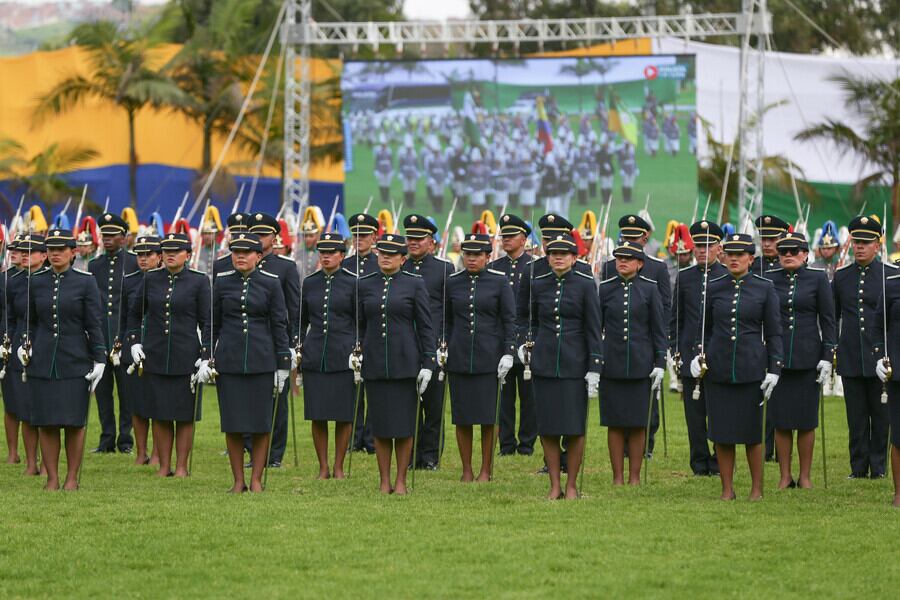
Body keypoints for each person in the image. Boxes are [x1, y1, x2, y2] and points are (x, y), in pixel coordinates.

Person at [690, 233, 782, 501]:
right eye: (729, 254)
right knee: (722, 433)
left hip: (751, 368)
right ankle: (727, 489)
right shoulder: (714, 286)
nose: (733, 259)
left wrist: (774, 368)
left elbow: (774, 332)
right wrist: (699, 355)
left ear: (751, 259)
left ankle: (756, 489)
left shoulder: (764, 288)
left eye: (740, 255)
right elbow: (703, 329)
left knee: (753, 434)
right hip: (718, 368)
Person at [22, 229, 106, 490]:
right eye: (51, 248)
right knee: (46, 422)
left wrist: (99, 358)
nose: (55, 253)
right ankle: (52, 478)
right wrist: (24, 345)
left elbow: (94, 323)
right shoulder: (35, 281)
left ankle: (71, 478)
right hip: (43, 359)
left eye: (61, 248)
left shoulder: (85, 282)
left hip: (75, 358)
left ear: (74, 252)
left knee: (73, 422)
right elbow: (30, 321)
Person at [520, 233, 601, 499]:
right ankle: (555, 484)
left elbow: (593, 328)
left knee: (574, 427)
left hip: (574, 365)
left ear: (575, 258)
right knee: (549, 426)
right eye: (553, 253)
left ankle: (572, 485)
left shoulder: (586, 285)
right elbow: (526, 319)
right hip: (543, 363)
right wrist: (524, 344)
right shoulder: (538, 282)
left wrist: (594, 367)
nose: (557, 258)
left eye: (563, 254)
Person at [208, 233, 290, 493]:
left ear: (258, 255)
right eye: (235, 252)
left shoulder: (271, 283)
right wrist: (206, 357)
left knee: (260, 422)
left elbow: (279, 324)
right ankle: (237, 480)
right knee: (232, 422)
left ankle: (255, 478)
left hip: (261, 360)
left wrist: (282, 365)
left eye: (246, 252)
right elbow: (214, 324)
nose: (240, 256)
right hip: (229, 361)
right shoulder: (222, 283)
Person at [357, 234, 436, 494]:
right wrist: (355, 352)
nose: (385, 258)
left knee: (403, 425)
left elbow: (426, 326)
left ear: (403, 258)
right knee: (380, 426)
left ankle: (401, 479)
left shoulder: (414, 284)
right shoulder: (365, 284)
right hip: (375, 362)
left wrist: (428, 362)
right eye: (382, 253)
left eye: (392, 254)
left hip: (405, 362)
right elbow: (359, 325)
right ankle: (384, 480)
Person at [127, 233, 210, 478]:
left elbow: (207, 321)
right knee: (160, 412)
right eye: (166, 250)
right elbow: (134, 314)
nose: (170, 254)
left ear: (188, 254)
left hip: (186, 355)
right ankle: (164, 466)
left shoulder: (198, 281)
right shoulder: (151, 279)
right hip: (155, 353)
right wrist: (134, 342)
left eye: (177, 250)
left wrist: (206, 354)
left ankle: (182, 466)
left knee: (184, 414)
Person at [767, 232, 836, 489]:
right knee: (781, 420)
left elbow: (828, 320)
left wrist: (828, 356)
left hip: (809, 357)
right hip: (777, 358)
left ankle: (805, 475)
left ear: (805, 254)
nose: (788, 255)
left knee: (807, 420)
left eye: (794, 251)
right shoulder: (770, 279)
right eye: (783, 251)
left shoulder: (818, 279)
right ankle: (785, 475)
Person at [445, 233, 516, 482]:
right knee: (462, 417)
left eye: (477, 255)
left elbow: (509, 320)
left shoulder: (499, 282)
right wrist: (444, 347)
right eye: (468, 254)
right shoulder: (453, 282)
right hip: (459, 356)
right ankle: (466, 469)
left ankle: (486, 469)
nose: (472, 259)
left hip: (489, 357)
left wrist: (508, 352)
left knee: (489, 416)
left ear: (488, 256)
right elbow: (447, 320)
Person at [597, 240, 666, 485]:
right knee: (614, 423)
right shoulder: (605, 289)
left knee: (638, 423)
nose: (622, 262)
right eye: (619, 258)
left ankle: (634, 477)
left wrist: (660, 362)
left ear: (640, 263)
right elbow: (597, 329)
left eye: (628, 259)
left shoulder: (649, 289)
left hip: (641, 364)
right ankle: (617, 477)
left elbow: (658, 330)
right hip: (612, 363)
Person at [833, 215, 895, 479]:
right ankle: (858, 467)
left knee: (881, 416)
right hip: (850, 354)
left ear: (877, 245)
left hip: (881, 357)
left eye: (865, 242)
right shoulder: (842, 277)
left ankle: (878, 467)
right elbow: (833, 315)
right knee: (856, 417)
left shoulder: (891, 275)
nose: (859, 247)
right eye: (856, 241)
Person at [670, 220, 727, 476]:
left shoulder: (726, 275)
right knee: (694, 416)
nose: (702, 250)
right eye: (699, 246)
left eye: (709, 245)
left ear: (719, 248)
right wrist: (676, 350)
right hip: (690, 354)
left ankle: (718, 461)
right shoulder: (685, 277)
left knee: (718, 413)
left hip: (718, 356)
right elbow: (676, 319)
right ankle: (699, 461)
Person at [300, 232, 358, 479]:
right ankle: (323, 466)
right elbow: (301, 320)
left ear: (342, 256)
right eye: (322, 252)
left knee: (343, 415)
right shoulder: (310, 282)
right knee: (318, 413)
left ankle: (339, 466)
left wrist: (358, 348)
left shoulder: (354, 282)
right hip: (316, 354)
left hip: (343, 354)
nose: (325, 256)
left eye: (331, 252)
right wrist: (299, 346)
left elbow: (359, 320)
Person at [248, 213, 301, 469]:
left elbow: (294, 308)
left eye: (264, 234)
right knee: (249, 397)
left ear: (274, 237)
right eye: (255, 234)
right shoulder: (237, 264)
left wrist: (291, 344)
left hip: (275, 340)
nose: (259, 239)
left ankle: (275, 453)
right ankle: (251, 449)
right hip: (248, 341)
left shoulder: (285, 267)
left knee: (277, 400)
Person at [402, 214, 454, 470]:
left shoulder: (444, 269)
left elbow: (448, 310)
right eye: (409, 238)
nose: (413, 243)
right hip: (405, 345)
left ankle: (430, 456)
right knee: (409, 405)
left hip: (434, 346)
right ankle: (411, 456)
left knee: (433, 407)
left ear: (431, 242)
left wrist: (444, 342)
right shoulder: (401, 267)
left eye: (418, 238)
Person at [88, 212, 138, 454]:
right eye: (104, 235)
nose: (107, 239)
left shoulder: (133, 262)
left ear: (124, 237)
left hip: (125, 335)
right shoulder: (94, 265)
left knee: (127, 392)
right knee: (103, 391)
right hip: (100, 335)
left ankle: (125, 438)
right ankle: (107, 438)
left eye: (112, 235)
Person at [488, 214, 537, 457]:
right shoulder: (494, 268)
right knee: (503, 398)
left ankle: (526, 444)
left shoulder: (535, 266)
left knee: (530, 398)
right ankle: (506, 444)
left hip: (527, 340)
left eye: (511, 236)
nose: (505, 240)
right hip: (501, 340)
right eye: (503, 236)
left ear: (524, 239)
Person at [4, 235, 46, 475]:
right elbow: (10, 317)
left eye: (32, 251)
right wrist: (8, 343)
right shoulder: (15, 281)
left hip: (46, 345)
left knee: (41, 407)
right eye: (23, 251)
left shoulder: (51, 280)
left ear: (43, 255)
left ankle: (44, 459)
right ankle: (31, 462)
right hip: (20, 346)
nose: (26, 255)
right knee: (24, 406)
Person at [119, 235, 162, 466]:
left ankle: (157, 452)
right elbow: (125, 316)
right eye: (140, 255)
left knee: (155, 402)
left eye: (149, 255)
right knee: (135, 402)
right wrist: (121, 343)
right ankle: (141, 451)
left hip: (156, 344)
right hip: (133, 345)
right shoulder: (130, 280)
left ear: (159, 257)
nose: (143, 259)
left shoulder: (163, 279)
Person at [343, 213, 380, 454]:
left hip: (374, 331)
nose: (359, 239)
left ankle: (371, 438)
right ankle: (353, 438)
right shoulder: (345, 265)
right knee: (353, 389)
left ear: (374, 237)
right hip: (350, 331)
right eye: (355, 235)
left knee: (374, 389)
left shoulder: (381, 262)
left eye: (364, 235)